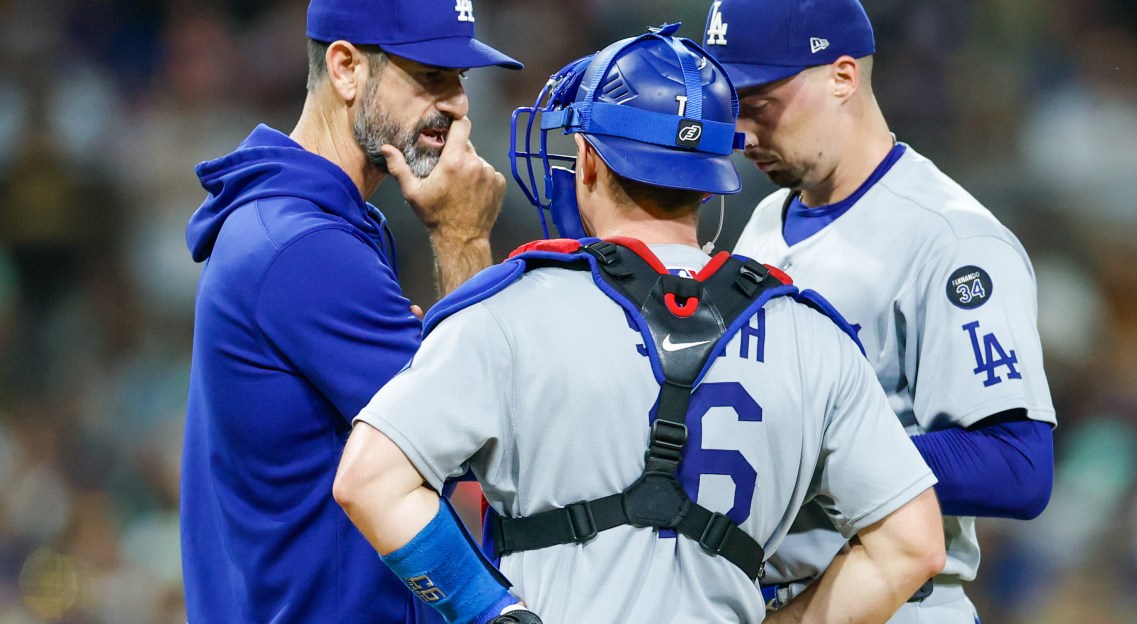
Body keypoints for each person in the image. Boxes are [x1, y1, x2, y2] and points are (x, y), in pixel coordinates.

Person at [333, 25, 945, 624]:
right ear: (710, 181)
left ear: (589, 161)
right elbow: (913, 546)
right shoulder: (811, 333)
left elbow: (368, 480)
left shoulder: (509, 310)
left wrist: (491, 612)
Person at [701, 0, 1057, 621]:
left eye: (759, 103)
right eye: (730, 105)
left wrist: (817, 453)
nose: (743, 133)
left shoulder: (951, 238)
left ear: (842, 76)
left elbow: (1017, 464)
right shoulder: (765, 219)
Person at [179, 0, 521, 622]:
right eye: (431, 76)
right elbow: (474, 444)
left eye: (460, 78)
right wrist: (463, 237)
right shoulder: (305, 247)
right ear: (345, 68)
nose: (457, 104)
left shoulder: (307, 222)